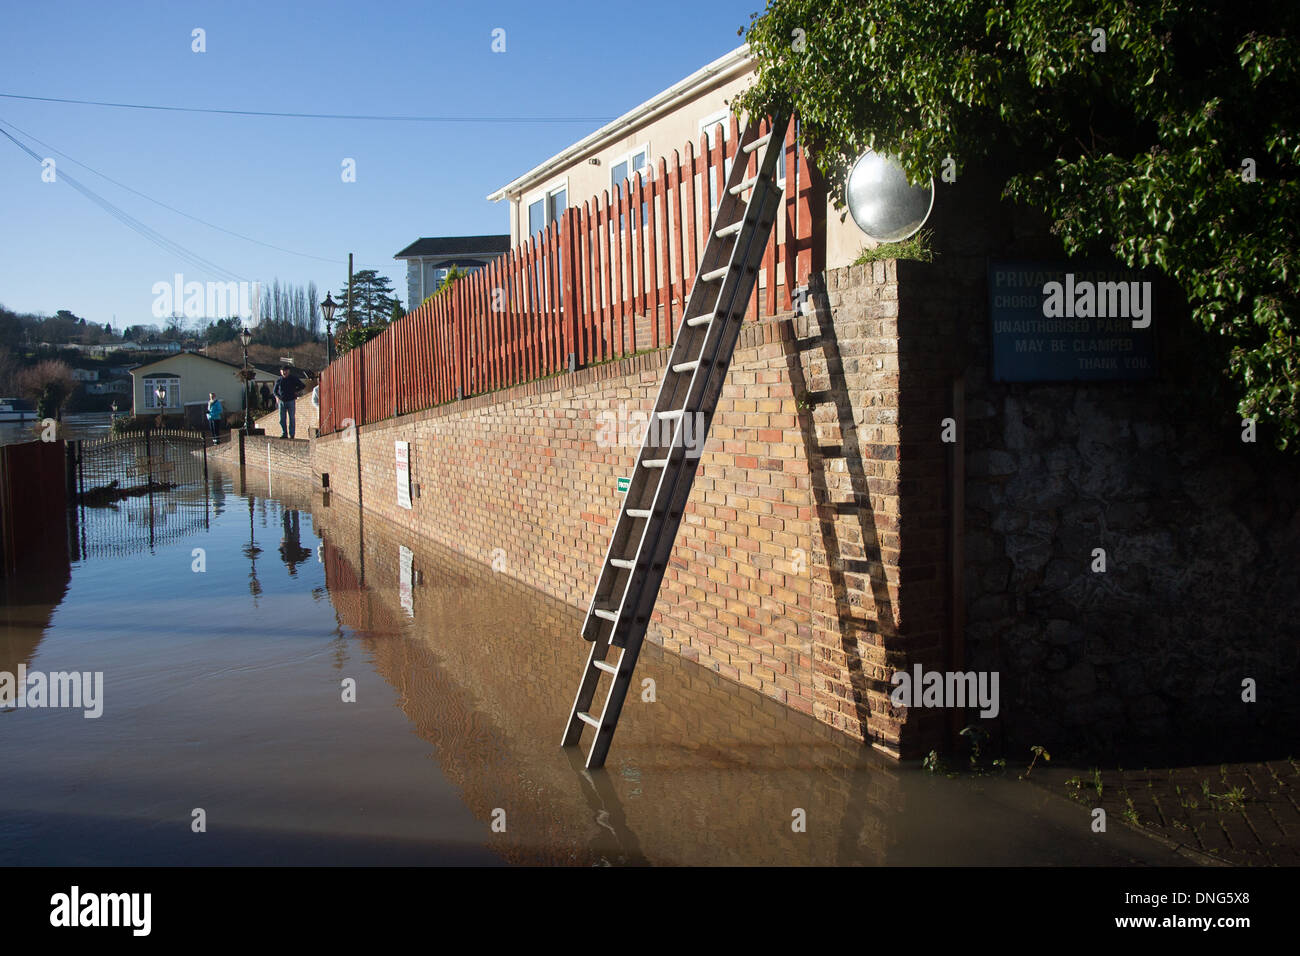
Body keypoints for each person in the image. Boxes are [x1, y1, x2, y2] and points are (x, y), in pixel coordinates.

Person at [272, 366, 303, 439]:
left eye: (285, 371)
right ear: (280, 372)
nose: (284, 372)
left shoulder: (293, 379)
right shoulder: (279, 380)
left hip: (291, 401)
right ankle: (284, 433)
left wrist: (295, 391)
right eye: (282, 371)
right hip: (282, 401)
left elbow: (302, 385)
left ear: (288, 371)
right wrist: (277, 397)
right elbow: (274, 391)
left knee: (291, 418)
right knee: (282, 419)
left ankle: (292, 434)